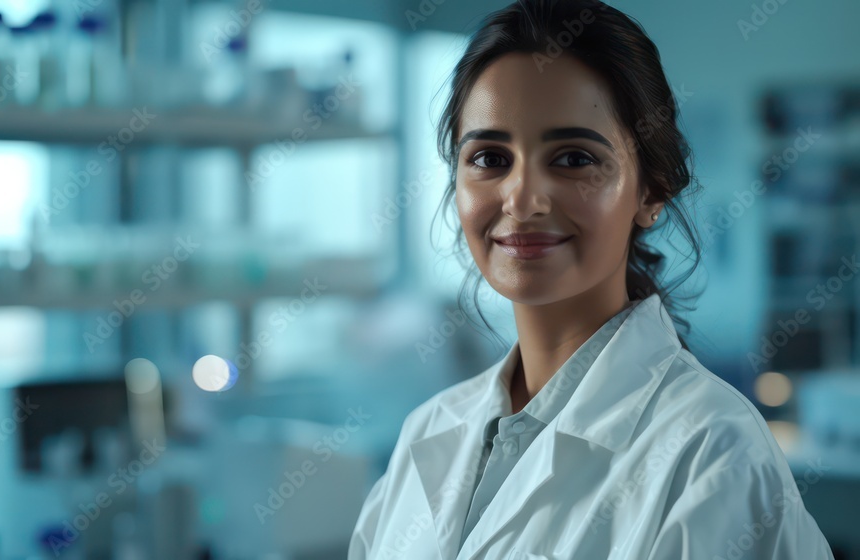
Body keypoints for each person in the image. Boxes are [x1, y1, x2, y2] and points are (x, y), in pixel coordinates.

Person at [347, 1, 836, 558]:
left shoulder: (711, 451)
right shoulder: (426, 435)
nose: (523, 200)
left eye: (574, 158)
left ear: (651, 191)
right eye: (488, 157)